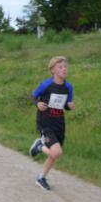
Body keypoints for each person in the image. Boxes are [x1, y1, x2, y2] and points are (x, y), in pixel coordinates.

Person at [29, 56, 76, 191]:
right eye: (60, 67)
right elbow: (33, 96)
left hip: (59, 123)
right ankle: (39, 146)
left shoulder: (68, 87)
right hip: (45, 122)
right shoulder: (46, 85)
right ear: (52, 70)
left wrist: (69, 106)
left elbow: (65, 105)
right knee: (56, 152)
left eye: (65, 67)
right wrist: (37, 104)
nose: (64, 69)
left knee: (54, 154)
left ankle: (41, 177)